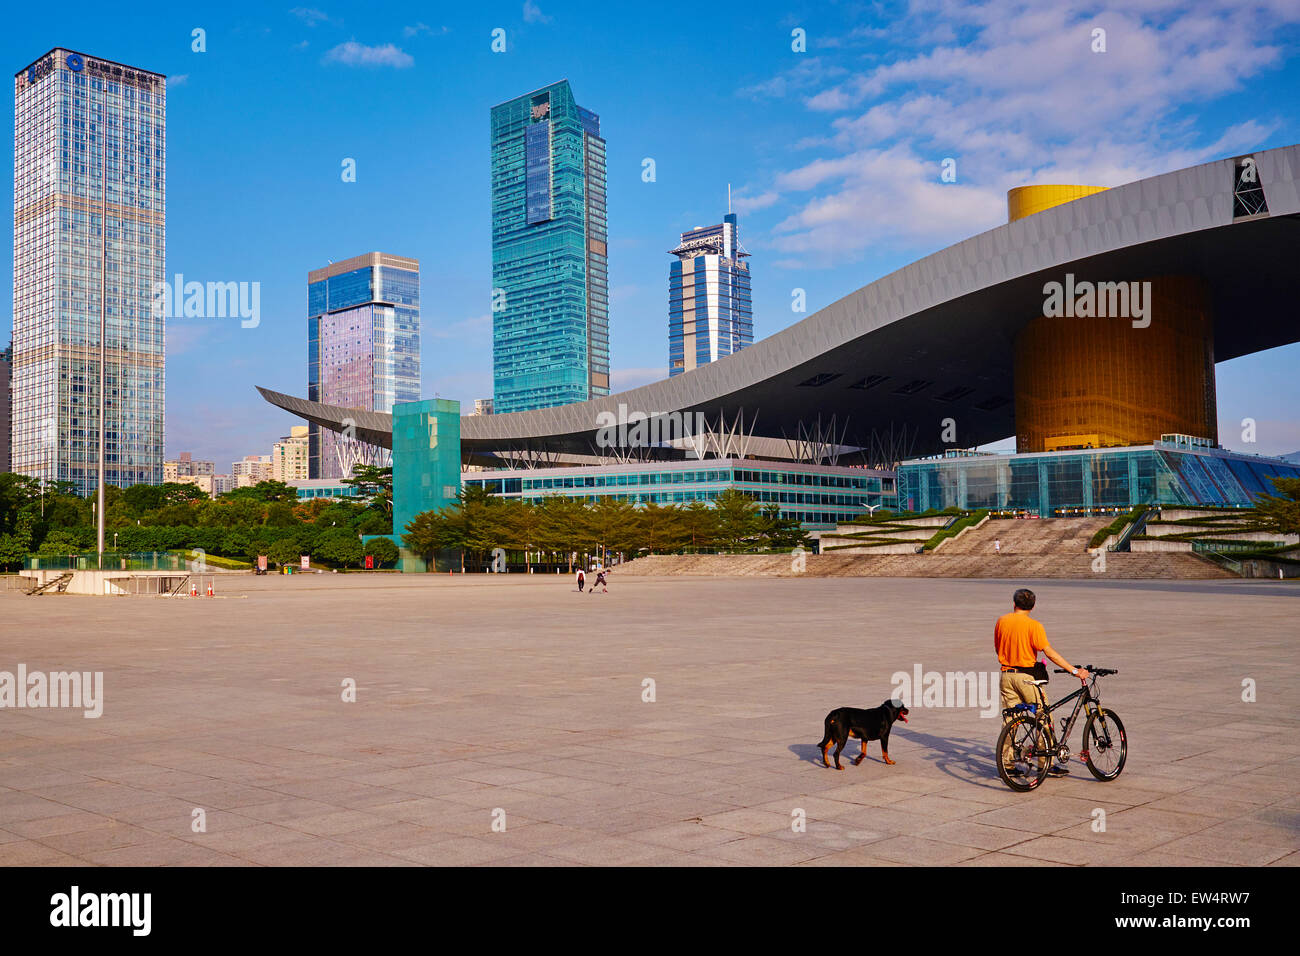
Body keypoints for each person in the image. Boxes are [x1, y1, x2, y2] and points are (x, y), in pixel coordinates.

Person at [994, 588, 1089, 776]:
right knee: (1043, 716)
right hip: (1027, 678)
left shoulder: (1002, 621)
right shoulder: (1034, 625)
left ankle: (1008, 764)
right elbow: (1049, 652)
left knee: (1010, 720)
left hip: (1006, 675)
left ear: (1014, 603)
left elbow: (998, 649)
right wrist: (1074, 670)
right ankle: (1046, 763)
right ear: (1033, 606)